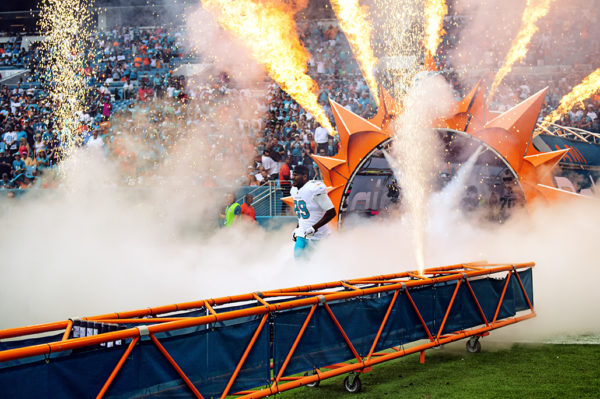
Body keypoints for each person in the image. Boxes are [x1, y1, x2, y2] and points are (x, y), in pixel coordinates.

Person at [290, 165, 336, 259]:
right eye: (292, 175)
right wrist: (298, 228)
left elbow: (331, 212)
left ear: (305, 177)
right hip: (302, 234)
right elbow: (303, 215)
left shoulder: (313, 189)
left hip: (319, 236)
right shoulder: (294, 190)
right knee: (298, 258)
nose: (292, 178)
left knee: (316, 262)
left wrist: (314, 228)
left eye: (295, 175)